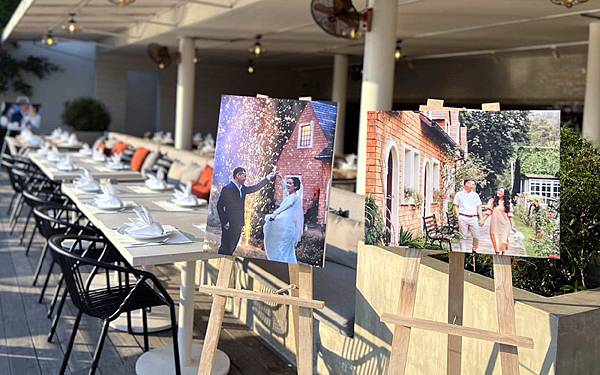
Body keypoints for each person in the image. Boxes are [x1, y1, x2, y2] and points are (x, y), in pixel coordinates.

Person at [216, 167, 275, 255]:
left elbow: (255, 188)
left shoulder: (243, 188)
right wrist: (225, 222)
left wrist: (268, 178)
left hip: (239, 223)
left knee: (232, 246)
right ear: (237, 175)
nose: (245, 178)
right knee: (225, 246)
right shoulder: (228, 188)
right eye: (244, 176)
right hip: (229, 224)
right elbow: (219, 206)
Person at [263, 174, 304, 264]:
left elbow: (286, 205)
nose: (287, 185)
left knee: (284, 251)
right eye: (287, 183)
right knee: (285, 251)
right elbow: (285, 190)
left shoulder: (294, 197)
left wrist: (275, 214)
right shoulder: (290, 196)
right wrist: (281, 179)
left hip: (288, 230)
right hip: (287, 229)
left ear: (296, 186)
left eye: (290, 183)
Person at [480, 187, 517, 255]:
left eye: (501, 192)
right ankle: (497, 253)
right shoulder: (493, 201)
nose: (498, 192)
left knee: (503, 241)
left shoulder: (508, 203)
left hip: (504, 225)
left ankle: (503, 254)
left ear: (504, 194)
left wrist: (513, 226)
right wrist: (483, 220)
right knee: (495, 240)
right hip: (495, 224)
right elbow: (488, 212)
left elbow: (510, 215)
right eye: (498, 191)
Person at [453, 179, 483, 253]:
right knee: (463, 237)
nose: (473, 186)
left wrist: (481, 218)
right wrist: (458, 216)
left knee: (476, 236)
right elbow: (455, 205)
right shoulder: (459, 194)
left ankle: (474, 249)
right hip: (463, 217)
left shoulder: (475, 195)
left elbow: (479, 207)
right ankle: (463, 253)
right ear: (466, 184)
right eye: (472, 184)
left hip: (473, 218)